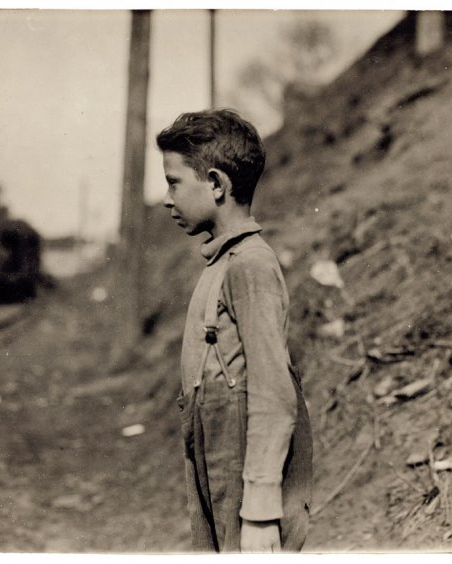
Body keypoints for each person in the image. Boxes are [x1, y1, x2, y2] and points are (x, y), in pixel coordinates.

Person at [156, 109, 313, 553]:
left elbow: (272, 388)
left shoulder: (250, 265)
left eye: (173, 182)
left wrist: (261, 510)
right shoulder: (223, 261)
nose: (167, 198)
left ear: (217, 185)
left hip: (243, 468)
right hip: (215, 449)